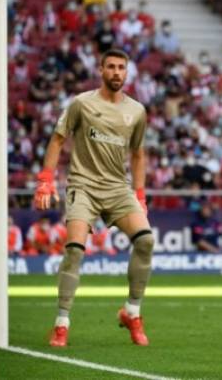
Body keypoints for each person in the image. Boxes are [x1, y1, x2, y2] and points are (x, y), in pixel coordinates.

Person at [34, 49, 154, 348]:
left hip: (118, 188)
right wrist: (45, 181)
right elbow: (58, 139)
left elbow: (138, 154)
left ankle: (132, 312)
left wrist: (140, 195)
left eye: (121, 68)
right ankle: (62, 323)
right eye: (111, 67)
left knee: (146, 241)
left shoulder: (137, 111)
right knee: (74, 250)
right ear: (101, 70)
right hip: (83, 186)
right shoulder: (82, 104)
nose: (116, 72)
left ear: (127, 73)